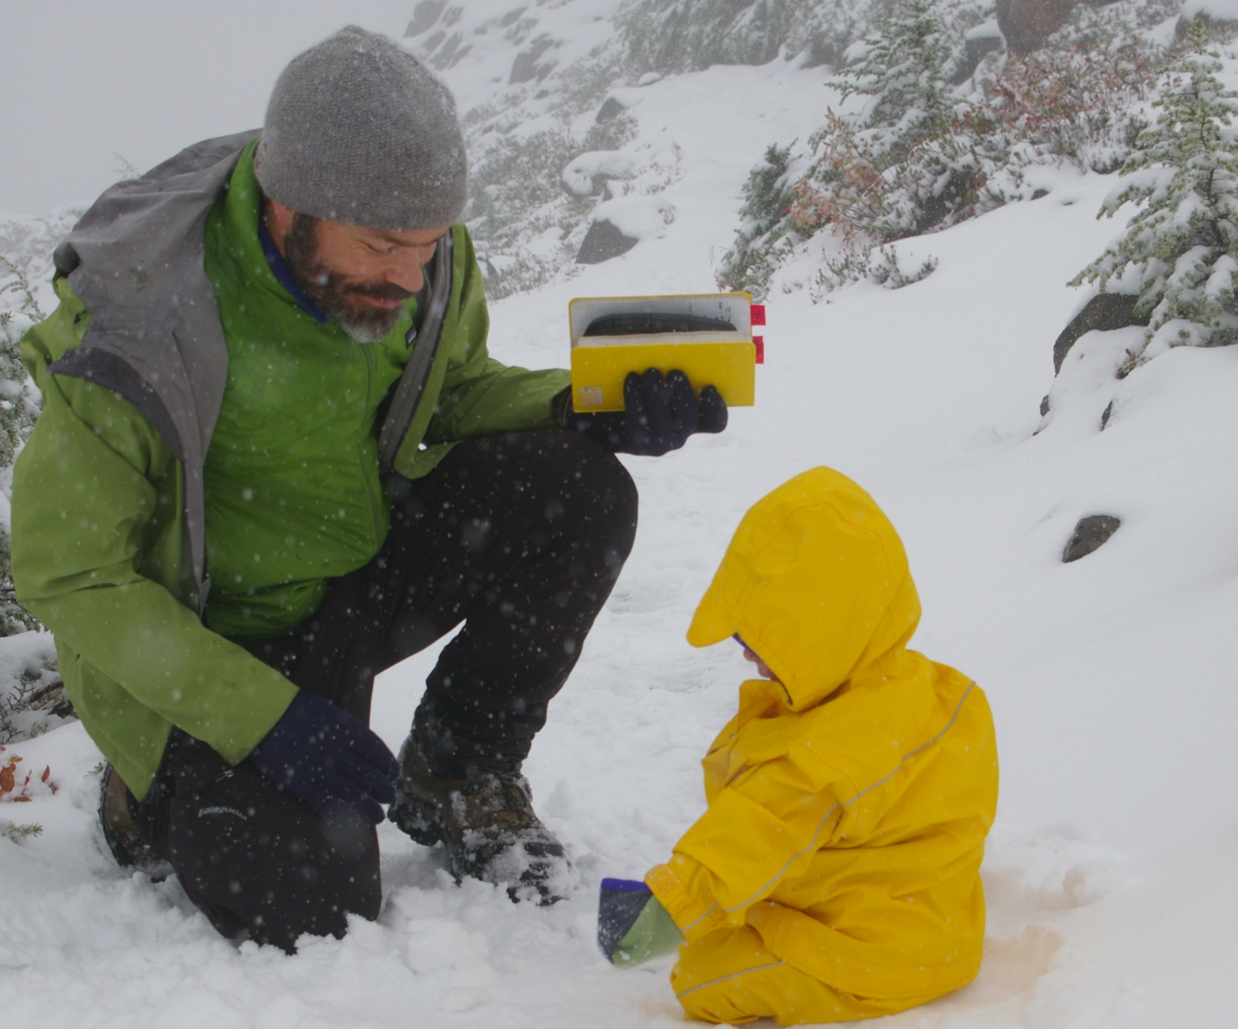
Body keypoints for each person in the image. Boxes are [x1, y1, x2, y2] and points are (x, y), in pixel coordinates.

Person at [10, 26, 726, 952]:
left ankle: (457, 771)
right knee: (312, 915)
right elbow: (70, 576)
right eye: (386, 245)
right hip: (210, 638)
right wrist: (264, 721)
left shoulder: (414, 266)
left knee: (579, 489)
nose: (411, 274)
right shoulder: (139, 318)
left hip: (352, 582)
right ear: (286, 205)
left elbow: (454, 390)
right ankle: (144, 794)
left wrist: (577, 407)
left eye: (428, 245)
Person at [597, 467, 998, 1025]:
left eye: (760, 639)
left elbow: (762, 826)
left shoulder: (830, 755)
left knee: (700, 977)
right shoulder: (928, 689)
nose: (745, 655)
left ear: (822, 634)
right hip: (931, 918)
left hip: (871, 958)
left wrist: (668, 909)